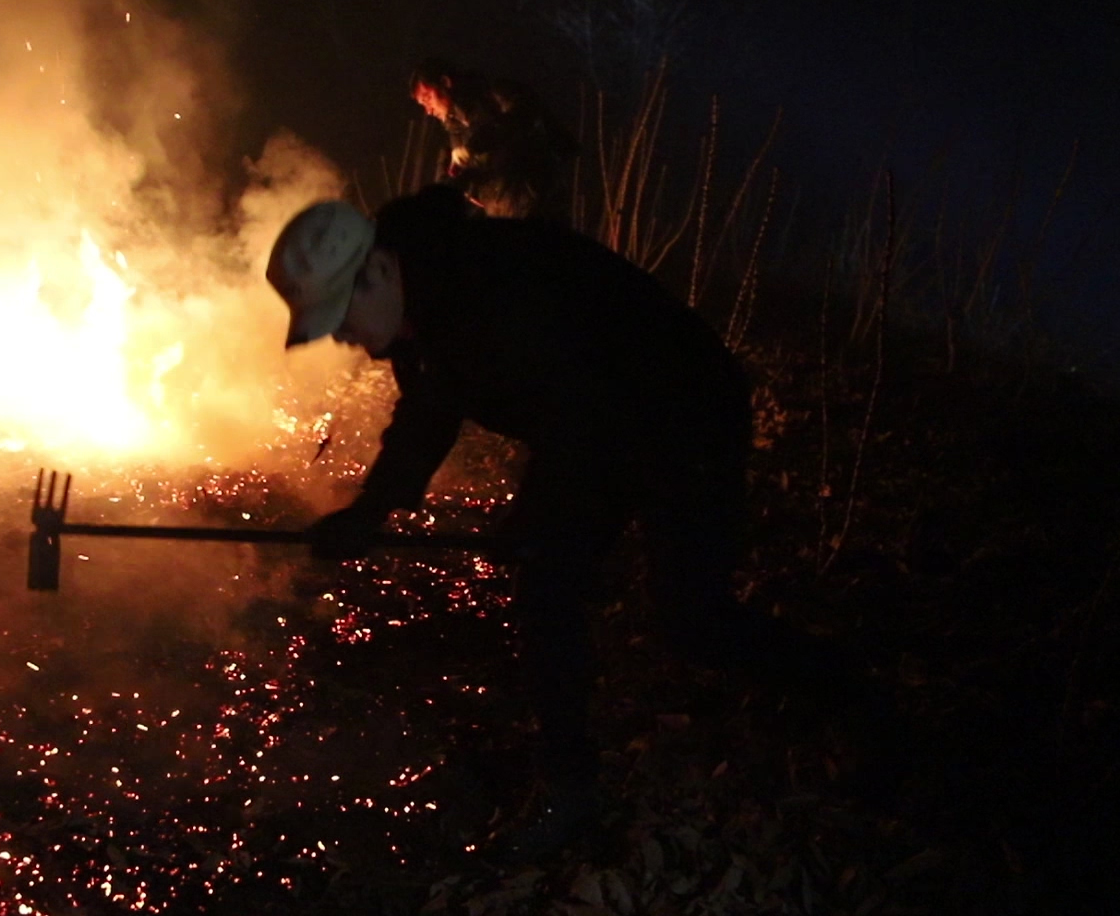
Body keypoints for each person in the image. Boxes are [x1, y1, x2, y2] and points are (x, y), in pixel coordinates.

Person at [266, 184, 778, 858]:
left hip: (685, 413)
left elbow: (582, 413)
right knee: (546, 597)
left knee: (693, 619)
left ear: (380, 269)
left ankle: (848, 693)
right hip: (602, 423)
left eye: (341, 315)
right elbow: (427, 414)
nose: (343, 337)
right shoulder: (424, 309)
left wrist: (537, 513)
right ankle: (572, 790)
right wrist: (370, 510)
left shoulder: (496, 287)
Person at [410, 58, 577, 224]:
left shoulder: (494, 94)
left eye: (427, 98)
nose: (428, 111)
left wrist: (474, 146)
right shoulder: (455, 131)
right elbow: (463, 175)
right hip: (500, 214)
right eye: (422, 104)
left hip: (537, 204)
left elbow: (523, 114)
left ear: (445, 82)